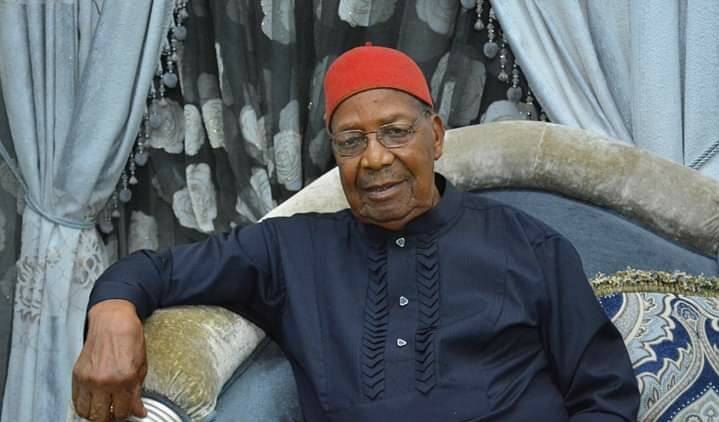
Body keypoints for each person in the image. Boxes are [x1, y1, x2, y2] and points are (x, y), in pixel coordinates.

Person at [72, 44, 640, 422]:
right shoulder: (292, 252)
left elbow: (606, 395)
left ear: (435, 136)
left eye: (395, 132)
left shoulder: (529, 247)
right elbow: (155, 270)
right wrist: (112, 311)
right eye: (351, 141)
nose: (374, 159)